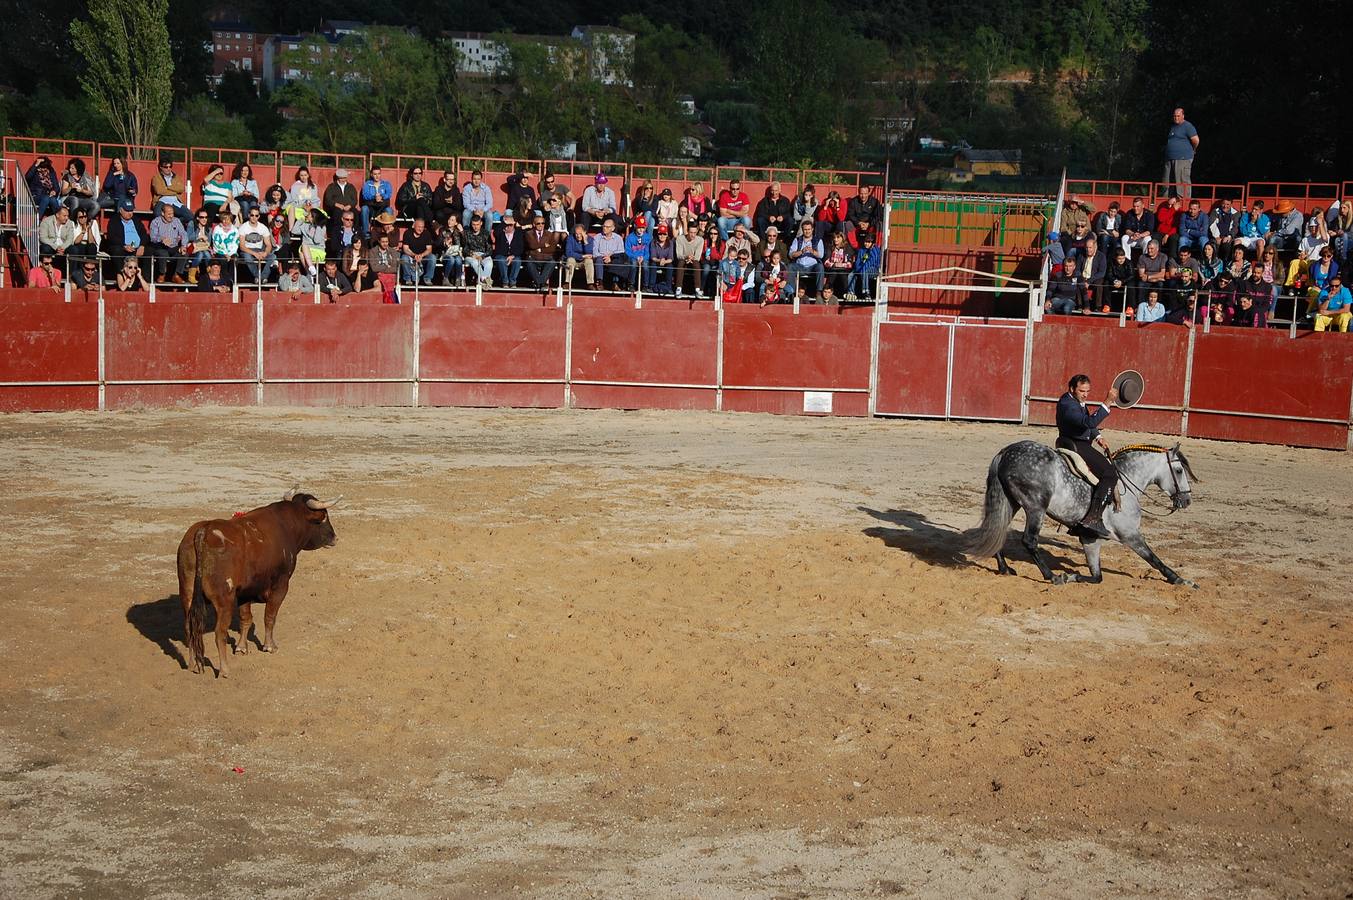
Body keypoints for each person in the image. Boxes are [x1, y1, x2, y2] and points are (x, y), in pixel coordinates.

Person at [1055, 374, 1120, 538]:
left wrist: (1097, 437)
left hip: (1077, 441)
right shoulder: (1067, 404)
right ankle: (1093, 518)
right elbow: (1088, 422)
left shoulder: (1073, 400)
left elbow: (1087, 424)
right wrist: (1108, 402)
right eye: (1082, 391)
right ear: (1072, 389)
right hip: (1076, 445)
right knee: (1110, 473)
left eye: (1087, 391)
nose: (1085, 394)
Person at [148, 202, 189, 283]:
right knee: (163, 253)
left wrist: (183, 245)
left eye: (172, 214)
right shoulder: (155, 222)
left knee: (184, 254)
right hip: (160, 246)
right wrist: (161, 239)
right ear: (163, 213)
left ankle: (176, 275)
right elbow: (153, 237)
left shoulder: (176, 221)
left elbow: (184, 234)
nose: (171, 216)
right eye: (169, 214)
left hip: (173, 246)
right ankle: (162, 274)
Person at [1162, 107, 1199, 197]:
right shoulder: (1173, 127)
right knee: (1167, 182)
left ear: (1183, 115)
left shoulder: (1187, 126)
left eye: (1178, 116)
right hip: (1170, 159)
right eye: (1174, 116)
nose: (1176, 118)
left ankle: (1184, 202)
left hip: (1183, 159)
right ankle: (1167, 201)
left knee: (1182, 182)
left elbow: (1196, 140)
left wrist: (1193, 149)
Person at [108, 200, 149, 279]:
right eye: (127, 210)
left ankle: (145, 278)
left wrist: (142, 245)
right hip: (123, 246)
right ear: (120, 210)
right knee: (116, 250)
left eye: (131, 210)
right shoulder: (114, 220)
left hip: (136, 246)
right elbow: (112, 237)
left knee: (150, 251)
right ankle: (122, 275)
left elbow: (144, 234)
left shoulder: (136, 220)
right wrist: (124, 245)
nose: (130, 213)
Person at [523, 212, 561, 291]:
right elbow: (532, 245)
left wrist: (540, 249)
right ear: (534, 224)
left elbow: (552, 248)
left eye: (543, 223)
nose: (541, 225)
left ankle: (538, 283)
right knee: (528, 262)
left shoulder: (550, 234)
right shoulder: (528, 233)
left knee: (552, 262)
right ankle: (542, 283)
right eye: (538, 223)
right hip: (533, 257)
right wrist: (545, 245)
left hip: (546, 258)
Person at [238, 206, 277, 284]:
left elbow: (268, 245)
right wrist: (254, 253)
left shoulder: (263, 227)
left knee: (273, 257)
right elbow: (242, 246)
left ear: (259, 216)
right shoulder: (243, 227)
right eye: (252, 215)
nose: (254, 217)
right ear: (249, 215)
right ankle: (258, 277)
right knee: (247, 257)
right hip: (247, 250)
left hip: (260, 250)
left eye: (256, 215)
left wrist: (265, 253)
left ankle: (263, 276)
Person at [788, 219, 824, 297]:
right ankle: (791, 291)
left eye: (809, 229)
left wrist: (812, 251)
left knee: (820, 267)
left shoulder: (818, 240)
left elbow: (821, 255)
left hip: (812, 267)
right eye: (805, 229)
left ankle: (819, 292)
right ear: (802, 230)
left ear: (812, 229)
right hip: (799, 266)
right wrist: (802, 251)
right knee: (790, 266)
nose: (807, 231)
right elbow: (791, 254)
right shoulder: (797, 240)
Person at [151, 157, 191, 224]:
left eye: (170, 167)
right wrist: (174, 191)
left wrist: (167, 187)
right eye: (166, 167)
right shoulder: (156, 178)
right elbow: (159, 191)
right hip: (162, 200)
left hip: (175, 201)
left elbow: (181, 189)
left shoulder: (177, 177)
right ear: (161, 167)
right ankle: (164, 228)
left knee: (190, 216)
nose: (168, 169)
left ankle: (173, 224)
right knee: (157, 214)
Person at [399, 218, 437, 286]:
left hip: (423, 257)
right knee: (404, 258)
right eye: (419, 227)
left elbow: (429, 249)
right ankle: (408, 279)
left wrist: (421, 255)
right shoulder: (407, 233)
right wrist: (414, 255)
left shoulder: (426, 233)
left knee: (433, 257)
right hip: (410, 256)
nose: (420, 229)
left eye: (422, 227)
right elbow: (405, 249)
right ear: (414, 226)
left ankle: (428, 278)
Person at [591, 218, 627, 290]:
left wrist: (611, 256)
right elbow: (595, 252)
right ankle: (600, 282)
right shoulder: (597, 237)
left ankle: (615, 283)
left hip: (613, 258)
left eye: (607, 227)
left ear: (613, 228)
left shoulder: (618, 238)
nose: (604, 228)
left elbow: (621, 251)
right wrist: (604, 257)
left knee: (618, 260)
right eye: (604, 226)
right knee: (598, 260)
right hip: (601, 257)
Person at [493, 211, 525, 287]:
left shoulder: (518, 233)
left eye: (510, 225)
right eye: (506, 225)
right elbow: (495, 233)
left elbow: (521, 248)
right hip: (502, 255)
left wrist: (513, 256)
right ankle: (505, 281)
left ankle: (513, 282)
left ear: (513, 225)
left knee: (517, 261)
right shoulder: (500, 232)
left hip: (514, 255)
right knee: (501, 260)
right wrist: (504, 223)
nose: (508, 227)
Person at [461, 215, 494, 287]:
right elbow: (464, 249)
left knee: (489, 263)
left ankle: (482, 281)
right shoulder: (467, 233)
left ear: (481, 223)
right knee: (475, 262)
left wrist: (482, 256)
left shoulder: (485, 233)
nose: (475, 227)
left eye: (477, 224)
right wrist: (472, 254)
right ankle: (485, 280)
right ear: (471, 224)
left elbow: (490, 249)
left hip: (483, 254)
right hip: (471, 256)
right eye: (473, 224)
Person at [361, 166, 395, 235]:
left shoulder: (386, 184)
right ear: (371, 175)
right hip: (371, 207)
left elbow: (389, 194)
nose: (377, 176)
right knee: (364, 208)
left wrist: (381, 196)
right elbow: (365, 195)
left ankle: (389, 233)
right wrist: (374, 197)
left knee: (389, 210)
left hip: (382, 208)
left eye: (379, 174)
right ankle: (366, 234)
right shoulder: (367, 184)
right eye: (375, 174)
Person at [848, 231, 881, 301]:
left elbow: (873, 263)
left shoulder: (876, 250)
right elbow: (857, 263)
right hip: (861, 269)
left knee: (865, 271)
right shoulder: (861, 250)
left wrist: (871, 250)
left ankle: (866, 291)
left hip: (873, 270)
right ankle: (851, 293)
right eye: (865, 242)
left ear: (873, 243)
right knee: (851, 275)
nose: (866, 244)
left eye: (869, 242)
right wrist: (858, 269)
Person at [563, 222, 595, 289]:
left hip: (584, 262)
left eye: (580, 234)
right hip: (574, 260)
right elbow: (568, 253)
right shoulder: (570, 238)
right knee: (570, 259)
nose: (578, 236)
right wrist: (582, 256)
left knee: (589, 261)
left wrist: (585, 242)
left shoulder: (590, 239)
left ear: (585, 232)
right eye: (576, 234)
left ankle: (590, 283)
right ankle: (567, 282)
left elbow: (590, 253)